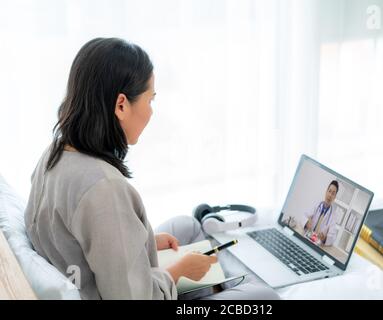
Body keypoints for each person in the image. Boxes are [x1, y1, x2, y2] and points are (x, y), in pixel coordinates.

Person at [24, 38, 279, 300]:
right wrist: (178, 271)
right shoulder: (104, 189)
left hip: (91, 271)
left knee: (187, 227)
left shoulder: (55, 153)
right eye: (150, 100)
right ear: (121, 105)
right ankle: (220, 288)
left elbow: (79, 240)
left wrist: (145, 244)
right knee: (263, 295)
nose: (151, 112)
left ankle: (212, 286)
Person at [303, 180, 339, 246]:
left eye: (333, 193)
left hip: (317, 245)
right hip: (306, 238)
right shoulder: (316, 204)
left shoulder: (334, 216)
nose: (330, 195)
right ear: (326, 192)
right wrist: (306, 223)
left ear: (334, 197)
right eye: (329, 191)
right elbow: (304, 216)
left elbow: (333, 238)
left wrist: (324, 238)